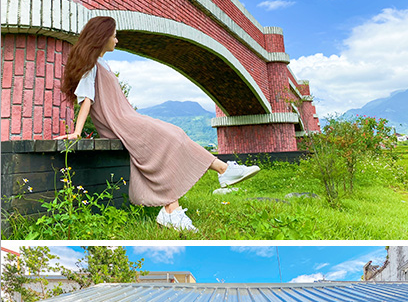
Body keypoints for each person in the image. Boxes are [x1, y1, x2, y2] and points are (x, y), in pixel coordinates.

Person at [57, 16, 260, 232]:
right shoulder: (91, 67)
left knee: (176, 134)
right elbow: (86, 99)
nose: (116, 40)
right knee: (170, 138)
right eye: (114, 36)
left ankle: (195, 191)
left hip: (128, 119)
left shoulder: (102, 64)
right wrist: (77, 132)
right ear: (103, 37)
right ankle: (194, 192)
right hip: (119, 123)